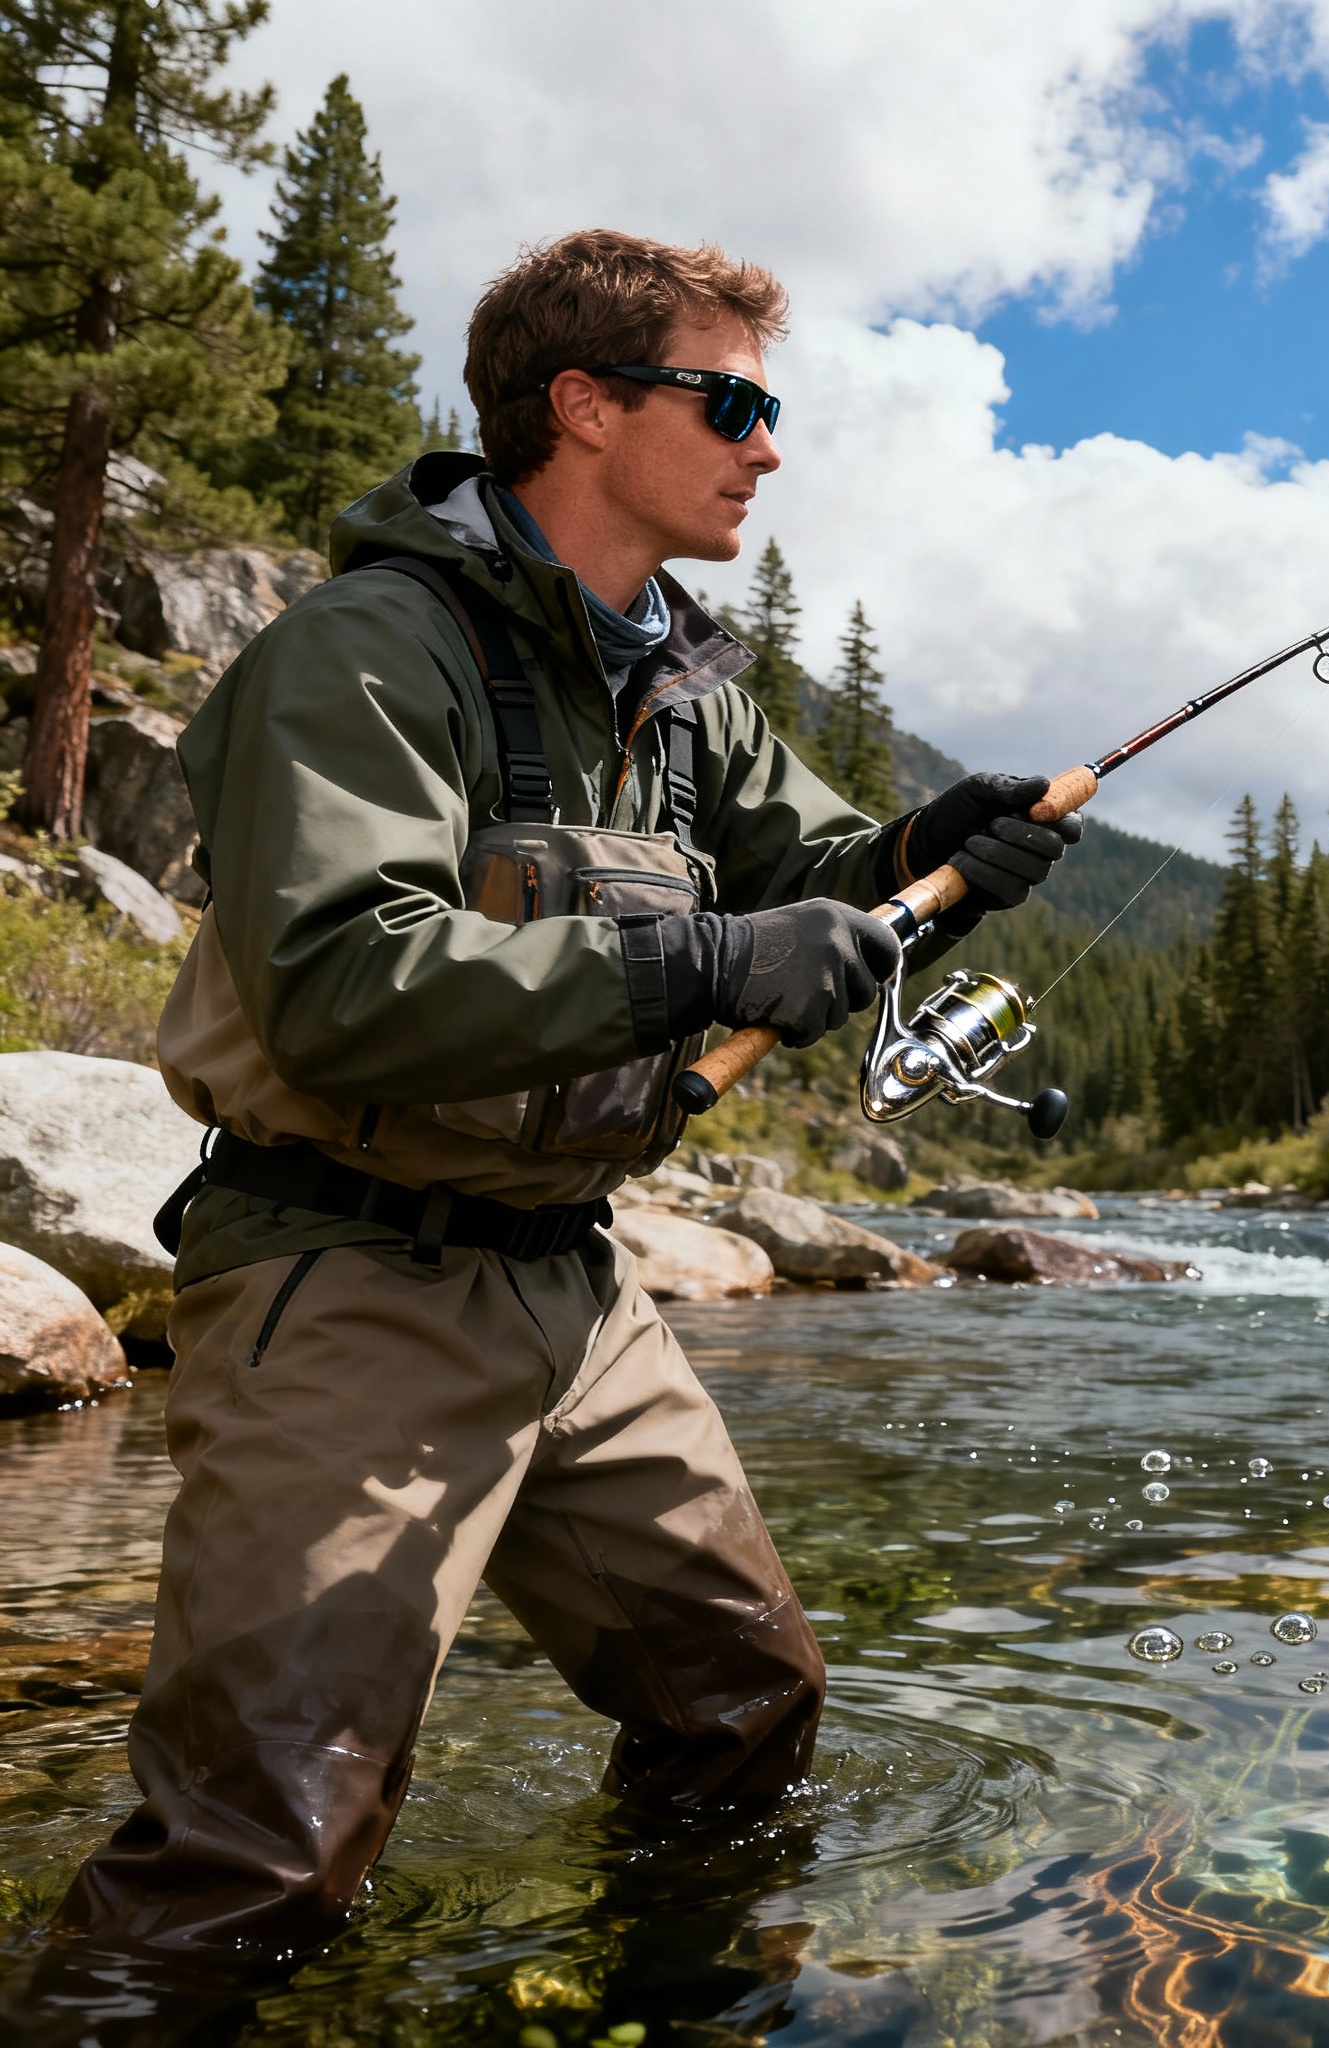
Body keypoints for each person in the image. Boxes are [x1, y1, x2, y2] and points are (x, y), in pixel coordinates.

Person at [22, 229, 1080, 2022]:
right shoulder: (365, 650)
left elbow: (819, 872)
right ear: (584, 405)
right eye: (731, 404)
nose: (767, 448)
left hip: (577, 1297)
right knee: (255, 1859)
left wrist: (933, 857)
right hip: (347, 1276)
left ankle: (632, 2003)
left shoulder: (682, 690)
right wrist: (712, 958)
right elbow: (345, 982)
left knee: (742, 1713)